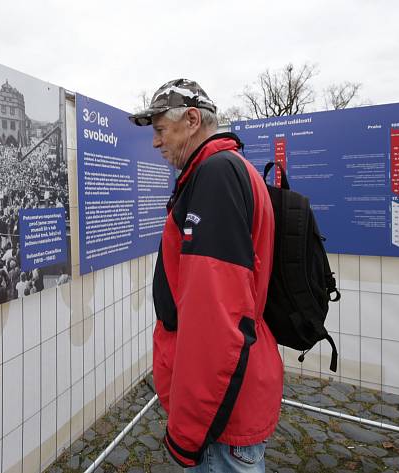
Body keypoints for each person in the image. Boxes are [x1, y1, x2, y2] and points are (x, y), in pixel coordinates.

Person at [128, 79, 280, 472]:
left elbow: (216, 321)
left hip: (220, 420)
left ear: (192, 119)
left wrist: (188, 430)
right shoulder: (225, 169)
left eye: (161, 130)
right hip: (230, 403)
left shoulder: (216, 175)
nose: (156, 143)